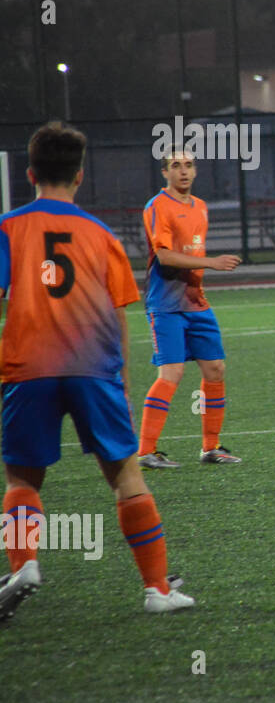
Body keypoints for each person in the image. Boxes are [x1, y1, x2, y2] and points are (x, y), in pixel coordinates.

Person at [0, 122, 194, 620]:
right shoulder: (101, 235)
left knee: (22, 476)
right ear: (80, 177)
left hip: (28, 368)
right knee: (126, 476)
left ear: (29, 174)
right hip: (93, 368)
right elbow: (119, 311)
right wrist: (122, 381)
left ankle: (25, 564)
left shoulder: (9, 227)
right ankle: (155, 589)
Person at [136, 149, 242, 468]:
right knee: (172, 372)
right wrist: (212, 263)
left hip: (196, 303)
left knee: (215, 369)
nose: (183, 171)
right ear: (164, 173)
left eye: (189, 165)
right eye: (176, 166)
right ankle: (146, 452)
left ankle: (211, 448)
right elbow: (165, 256)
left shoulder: (201, 207)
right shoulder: (157, 206)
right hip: (166, 304)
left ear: (195, 172)